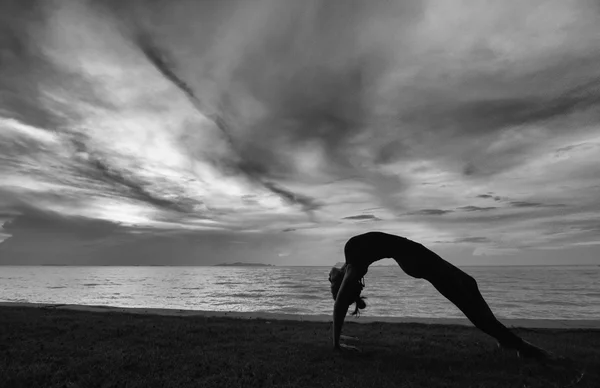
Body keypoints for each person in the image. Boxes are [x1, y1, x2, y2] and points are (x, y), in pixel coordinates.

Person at [329, 231, 553, 359]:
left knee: (469, 284)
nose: (330, 275)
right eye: (333, 279)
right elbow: (339, 304)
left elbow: (338, 292)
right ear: (342, 281)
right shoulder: (353, 266)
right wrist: (337, 344)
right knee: (464, 300)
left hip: (414, 253)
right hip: (414, 259)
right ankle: (519, 345)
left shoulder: (350, 257)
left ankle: (504, 339)